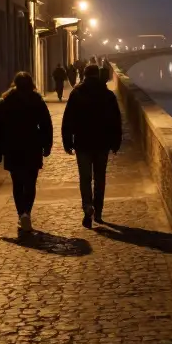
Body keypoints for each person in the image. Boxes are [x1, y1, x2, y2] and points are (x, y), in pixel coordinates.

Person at [61, 64, 122, 228]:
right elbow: (116, 121)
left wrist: (67, 141)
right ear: (99, 75)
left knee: (85, 178)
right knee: (100, 178)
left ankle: (87, 207)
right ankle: (99, 211)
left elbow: (68, 119)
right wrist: (116, 142)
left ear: (85, 75)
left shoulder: (77, 94)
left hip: (83, 142)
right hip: (102, 143)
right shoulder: (108, 95)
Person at [0, 72, 53, 232]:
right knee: (30, 183)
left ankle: (21, 214)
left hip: (13, 146)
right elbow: (46, 124)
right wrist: (47, 145)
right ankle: (27, 212)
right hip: (32, 145)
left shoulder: (6, 101)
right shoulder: (36, 100)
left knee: (17, 183)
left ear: (15, 83)